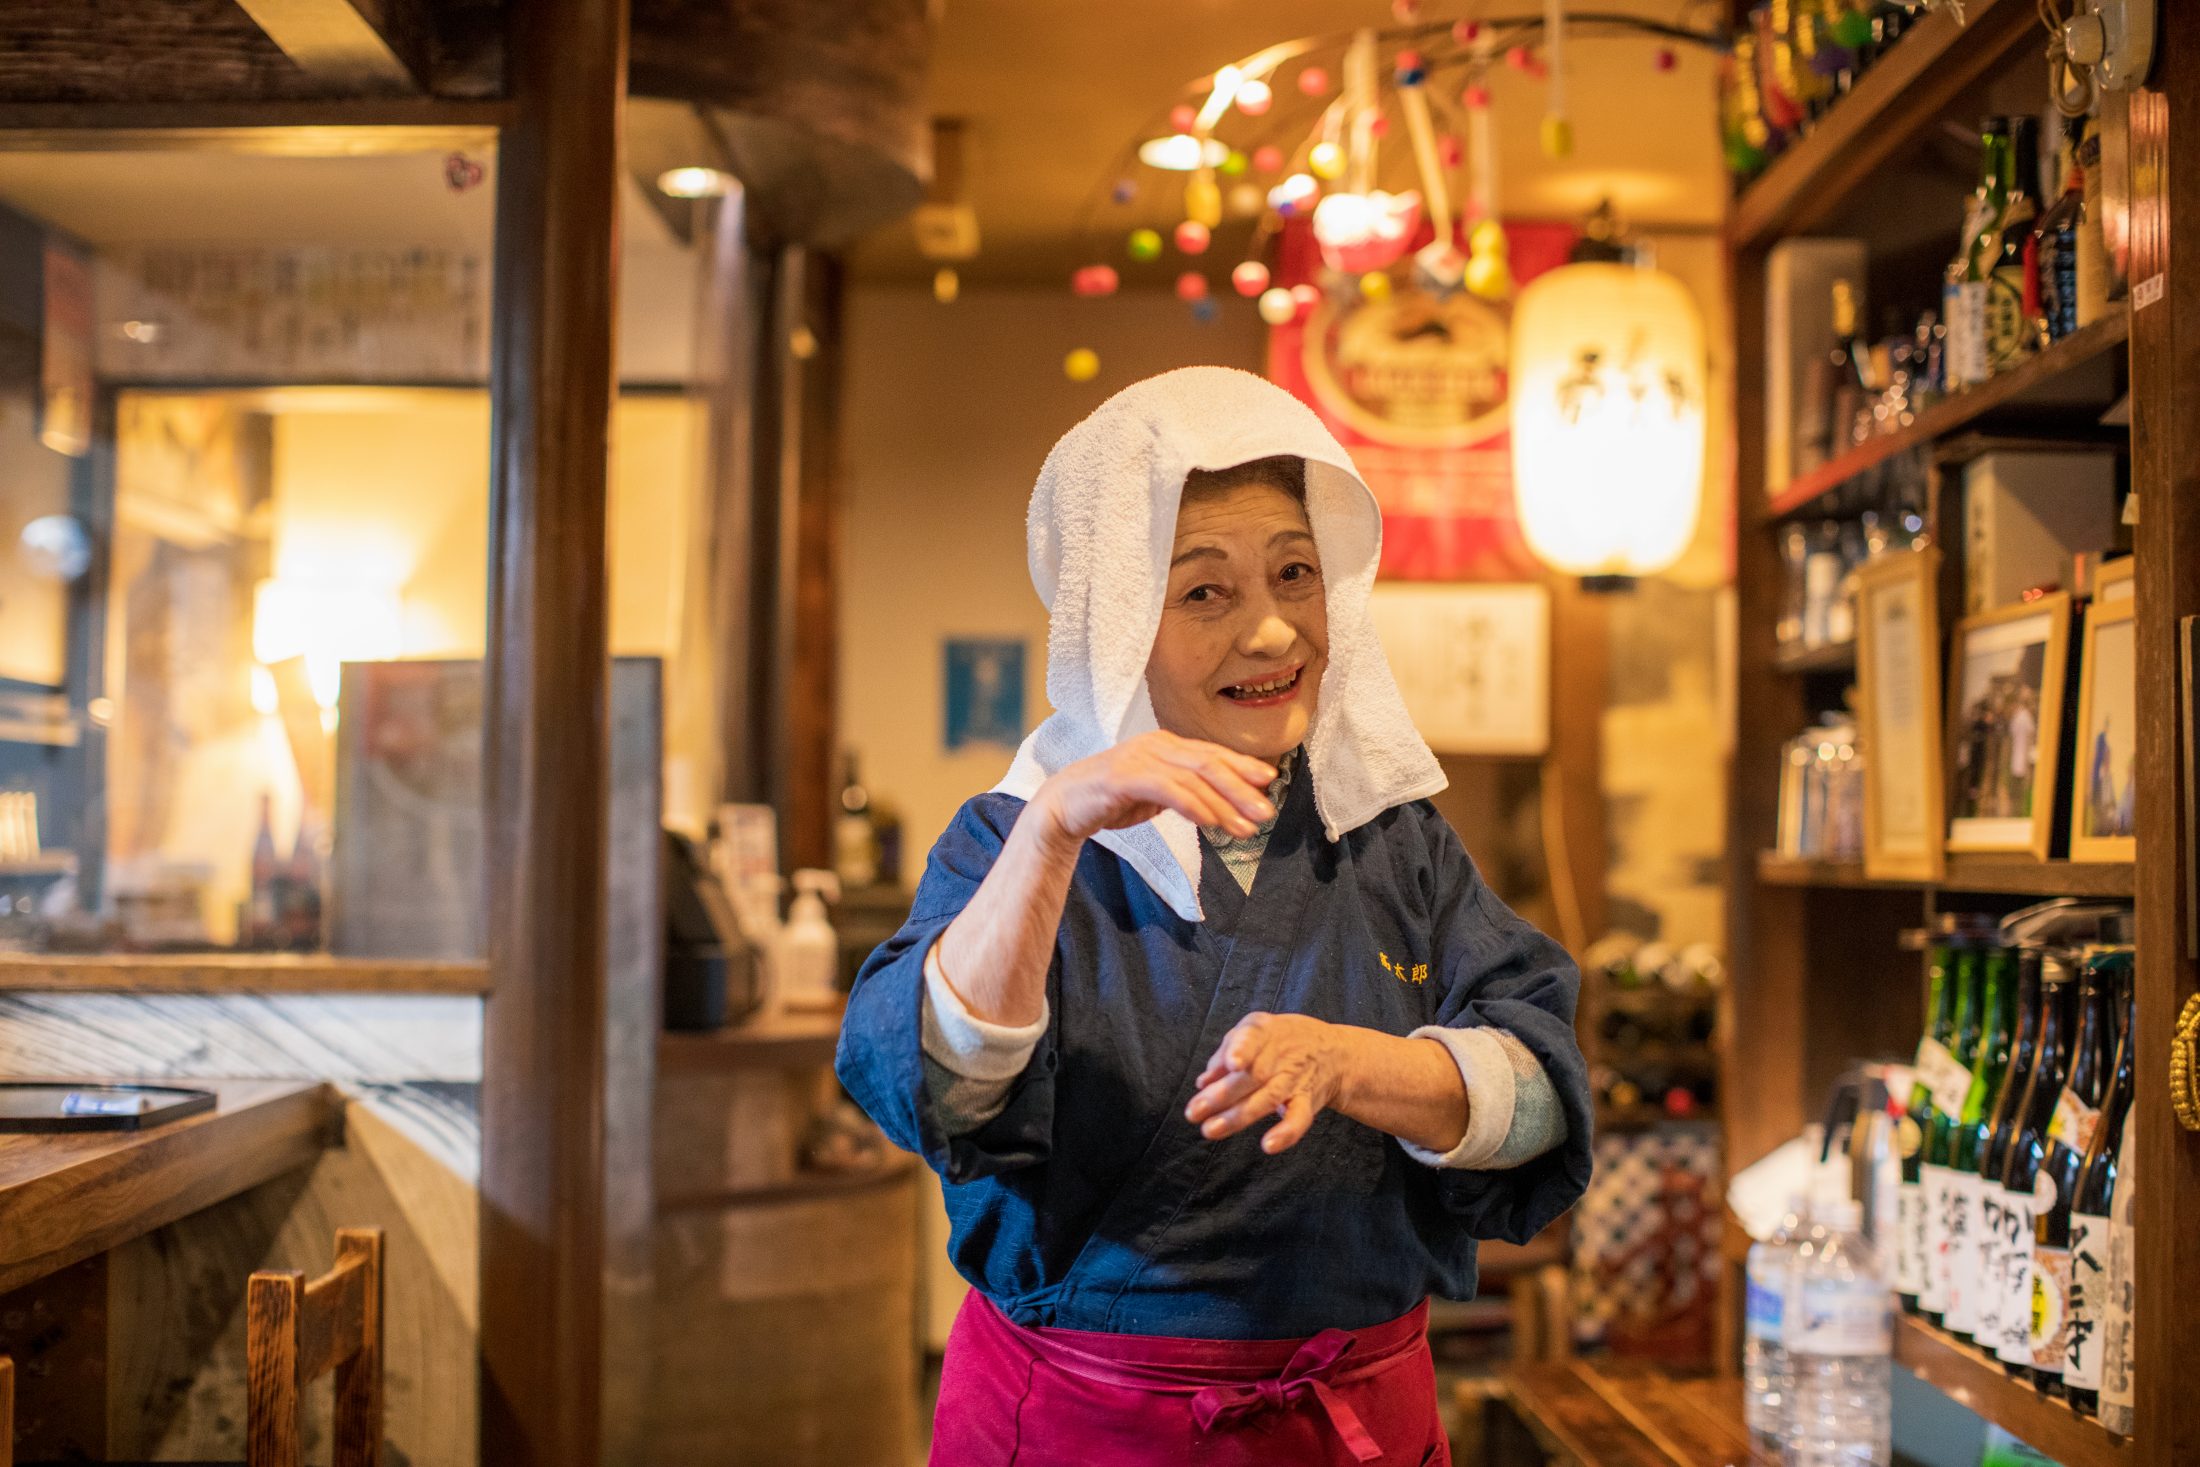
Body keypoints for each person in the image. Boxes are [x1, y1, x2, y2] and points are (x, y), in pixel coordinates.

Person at [838, 367, 1591, 1465]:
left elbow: (1538, 1097)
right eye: (1204, 593)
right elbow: (934, 1093)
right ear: (1115, 622)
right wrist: (1056, 832)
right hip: (1089, 1432)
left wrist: (1353, 1066)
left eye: (1297, 574)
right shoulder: (1009, 839)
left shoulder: (1393, 841)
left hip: (1352, 1427)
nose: (1275, 632)